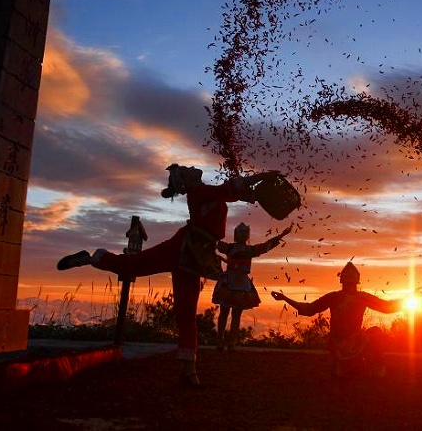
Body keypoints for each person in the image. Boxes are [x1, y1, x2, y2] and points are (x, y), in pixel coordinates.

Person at [56, 164, 279, 387]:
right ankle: (93, 258)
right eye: (186, 169)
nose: (192, 167)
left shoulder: (209, 192)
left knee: (185, 309)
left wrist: (251, 193)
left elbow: (231, 193)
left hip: (194, 256)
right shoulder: (199, 192)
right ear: (187, 181)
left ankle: (189, 371)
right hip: (182, 248)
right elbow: (230, 188)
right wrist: (261, 177)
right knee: (135, 267)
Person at [271, 262, 403, 377]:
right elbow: (387, 307)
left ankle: (356, 365)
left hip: (337, 345)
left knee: (349, 370)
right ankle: (377, 371)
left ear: (342, 281)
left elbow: (308, 309)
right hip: (348, 344)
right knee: (376, 333)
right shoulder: (361, 297)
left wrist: (285, 298)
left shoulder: (333, 297)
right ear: (357, 281)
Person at [212, 223, 292, 351]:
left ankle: (231, 342)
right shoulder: (229, 248)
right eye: (240, 232)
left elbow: (267, 245)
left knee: (236, 314)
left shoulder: (250, 250)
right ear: (236, 234)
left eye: (245, 232)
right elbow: (215, 242)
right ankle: (220, 340)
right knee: (224, 313)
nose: (243, 234)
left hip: (242, 283)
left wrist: (281, 235)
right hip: (229, 281)